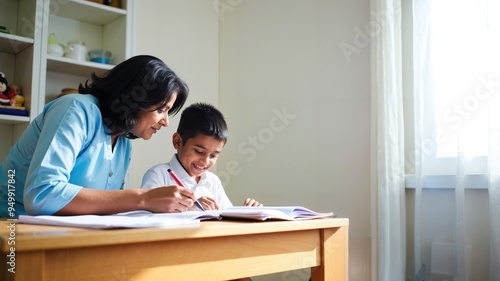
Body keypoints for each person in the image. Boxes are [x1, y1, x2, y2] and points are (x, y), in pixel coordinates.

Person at [0, 55, 197, 218]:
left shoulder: (123, 143)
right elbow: (41, 195)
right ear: (135, 98)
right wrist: (143, 198)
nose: (165, 121)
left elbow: (103, 207)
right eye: (161, 109)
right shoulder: (76, 109)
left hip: (63, 235)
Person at [141, 102, 262, 210]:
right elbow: (144, 218)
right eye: (199, 151)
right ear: (178, 141)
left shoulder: (213, 181)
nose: (205, 161)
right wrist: (190, 210)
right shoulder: (158, 175)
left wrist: (247, 212)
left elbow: (226, 215)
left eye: (213, 155)